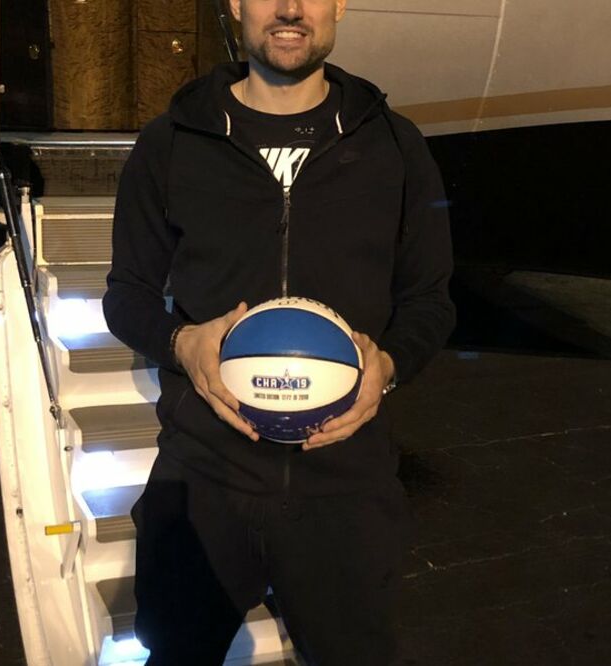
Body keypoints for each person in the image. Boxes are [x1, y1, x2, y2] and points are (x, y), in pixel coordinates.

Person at [103, 0, 454, 663]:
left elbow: (430, 300)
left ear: (340, 5)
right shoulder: (172, 141)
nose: (290, 8)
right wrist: (182, 343)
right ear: (235, 3)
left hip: (345, 487)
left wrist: (388, 365)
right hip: (204, 478)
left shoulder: (394, 144)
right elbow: (127, 295)